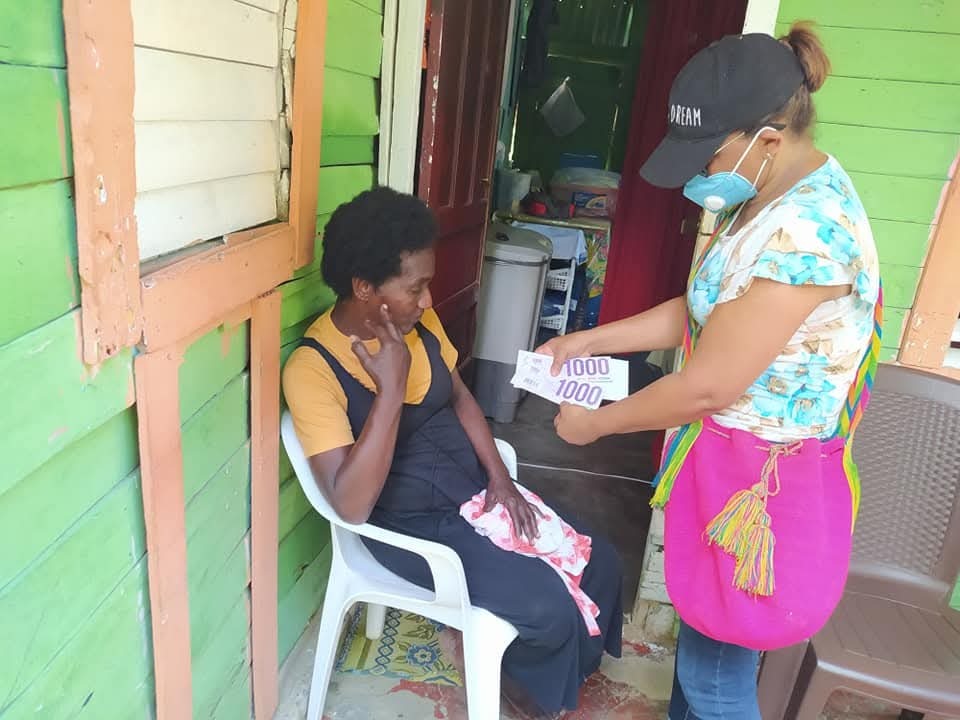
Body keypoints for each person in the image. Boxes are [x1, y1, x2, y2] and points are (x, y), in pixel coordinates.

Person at [541, 24, 881, 720]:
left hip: (763, 492)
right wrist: (591, 340)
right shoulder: (769, 192)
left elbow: (708, 383)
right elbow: (704, 312)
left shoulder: (806, 231)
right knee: (706, 642)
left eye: (710, 153)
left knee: (715, 678)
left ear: (768, 139)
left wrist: (595, 427)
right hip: (731, 469)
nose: (699, 173)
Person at [282, 186, 623, 718]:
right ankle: (526, 692)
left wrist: (501, 480)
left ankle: (561, 675)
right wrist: (390, 391)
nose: (426, 300)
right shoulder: (312, 369)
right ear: (364, 287)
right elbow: (351, 506)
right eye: (414, 286)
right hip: (411, 524)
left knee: (599, 561)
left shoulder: (418, 323)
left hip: (473, 491)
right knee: (547, 604)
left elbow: (461, 398)